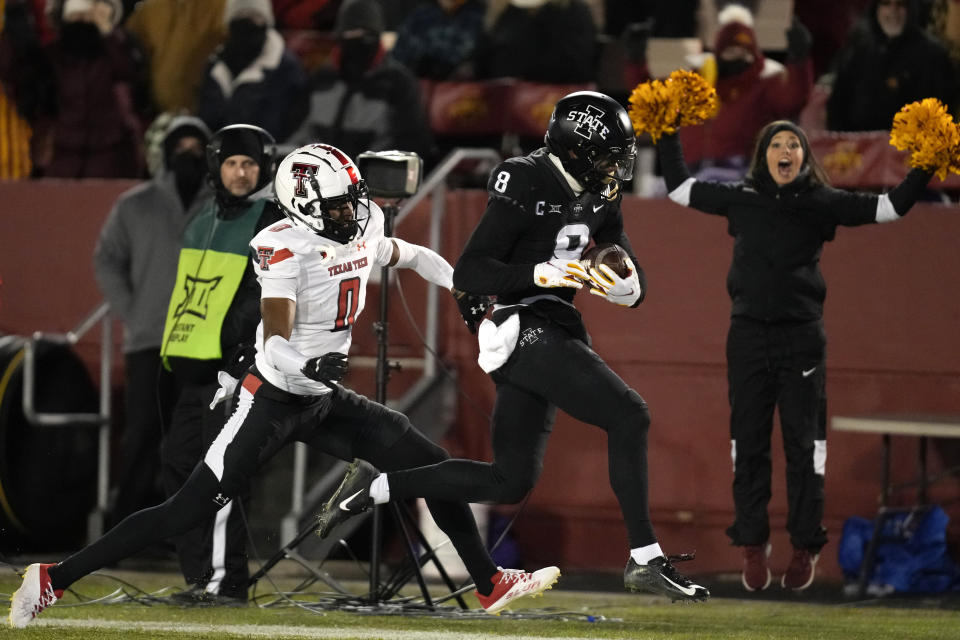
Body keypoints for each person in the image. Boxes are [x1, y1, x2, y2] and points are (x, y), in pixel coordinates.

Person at [7, 142, 561, 629]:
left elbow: (409, 255)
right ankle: (54, 576)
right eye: (337, 204)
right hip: (270, 399)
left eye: (352, 198)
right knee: (186, 509)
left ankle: (487, 583)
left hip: (323, 400)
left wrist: (469, 287)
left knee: (428, 462)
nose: (352, 211)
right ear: (301, 207)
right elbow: (272, 341)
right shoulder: (284, 247)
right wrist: (309, 367)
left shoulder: (362, 220)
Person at [316, 91, 711, 603]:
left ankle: (374, 488)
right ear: (574, 150)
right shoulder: (524, 178)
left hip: (555, 326)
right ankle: (645, 558)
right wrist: (539, 272)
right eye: (607, 156)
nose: (616, 168)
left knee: (509, 480)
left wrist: (628, 280)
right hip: (520, 323)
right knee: (629, 414)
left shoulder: (600, 191)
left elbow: (614, 247)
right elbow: (472, 271)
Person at [654, 119, 935, 591]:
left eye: (794, 145)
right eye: (776, 143)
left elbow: (891, 207)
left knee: (806, 449)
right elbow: (680, 187)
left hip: (801, 338)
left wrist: (928, 158)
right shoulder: (741, 199)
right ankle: (751, 543)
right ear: (763, 154)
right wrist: (666, 128)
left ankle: (804, 545)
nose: (785, 150)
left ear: (805, 158)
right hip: (746, 338)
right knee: (748, 446)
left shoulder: (821, 203)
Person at [157, 123, 283, 605]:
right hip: (194, 366)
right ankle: (199, 578)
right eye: (231, 162)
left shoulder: (268, 218)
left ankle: (225, 582)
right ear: (216, 165)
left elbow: (258, 298)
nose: (239, 172)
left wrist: (232, 351)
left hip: (233, 368)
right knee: (179, 463)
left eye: (249, 163)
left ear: (263, 168)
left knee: (222, 474)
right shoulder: (203, 215)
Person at [93, 115, 212, 524]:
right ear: (163, 153)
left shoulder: (221, 207)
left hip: (202, 344)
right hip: (148, 341)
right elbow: (106, 260)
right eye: (180, 148)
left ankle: (179, 529)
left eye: (198, 149)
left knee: (191, 439)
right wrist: (132, 311)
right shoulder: (133, 205)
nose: (188, 156)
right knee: (142, 433)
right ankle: (124, 524)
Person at [286, 0, 433, 163]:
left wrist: (369, 170)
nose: (358, 40)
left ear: (378, 36)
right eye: (351, 33)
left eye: (366, 34)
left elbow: (409, 141)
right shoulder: (321, 80)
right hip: (317, 175)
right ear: (340, 36)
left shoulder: (398, 84)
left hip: (371, 178)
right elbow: (298, 131)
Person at [679, 5, 813, 180]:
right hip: (690, 167)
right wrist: (636, 61)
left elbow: (792, 101)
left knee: (707, 181)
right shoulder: (701, 80)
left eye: (745, 52)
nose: (738, 57)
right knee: (658, 190)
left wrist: (798, 60)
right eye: (731, 51)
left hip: (739, 169)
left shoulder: (764, 80)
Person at [43, 0, 150, 178]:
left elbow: (130, 72)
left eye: (87, 17)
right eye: (76, 17)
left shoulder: (115, 48)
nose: (82, 22)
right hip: (64, 149)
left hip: (109, 148)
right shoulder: (54, 54)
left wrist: (108, 33)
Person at [827, 0, 959, 132]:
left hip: (911, 146)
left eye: (900, 4)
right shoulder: (858, 48)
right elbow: (837, 105)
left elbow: (939, 118)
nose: (893, 11)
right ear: (876, 9)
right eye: (886, 3)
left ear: (911, 9)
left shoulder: (933, 56)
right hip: (857, 146)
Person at [196, 0, 309, 142]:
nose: (246, 22)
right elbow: (206, 118)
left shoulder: (287, 70)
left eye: (254, 16)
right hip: (219, 158)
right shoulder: (215, 66)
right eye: (240, 15)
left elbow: (292, 125)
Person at [124, 0, 227, 113]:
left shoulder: (224, 9)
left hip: (208, 117)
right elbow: (127, 62)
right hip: (156, 117)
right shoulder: (149, 11)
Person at [471, 0, 597, 83]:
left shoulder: (572, 11)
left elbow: (574, 67)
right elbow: (482, 63)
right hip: (500, 102)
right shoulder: (503, 12)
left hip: (549, 105)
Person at [390, 0, 485, 80]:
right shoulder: (421, 15)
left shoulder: (482, 18)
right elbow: (397, 57)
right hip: (417, 86)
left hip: (464, 93)